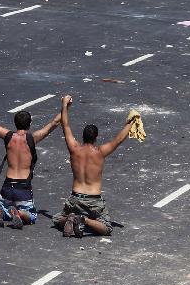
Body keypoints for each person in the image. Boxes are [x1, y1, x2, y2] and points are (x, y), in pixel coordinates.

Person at [0, 95, 61, 229]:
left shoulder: (8, 136)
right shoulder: (32, 138)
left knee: (5, 207)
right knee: (31, 216)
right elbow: (53, 123)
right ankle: (18, 213)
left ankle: (2, 213)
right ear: (29, 124)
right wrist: (66, 107)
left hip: (7, 186)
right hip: (23, 187)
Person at [53, 95, 135, 237]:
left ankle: (72, 218)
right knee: (107, 228)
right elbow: (118, 140)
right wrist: (131, 122)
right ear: (96, 137)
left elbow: (65, 125)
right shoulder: (100, 152)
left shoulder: (74, 149)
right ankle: (84, 220)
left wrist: (64, 105)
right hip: (94, 201)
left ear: (83, 137)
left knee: (57, 219)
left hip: (75, 199)